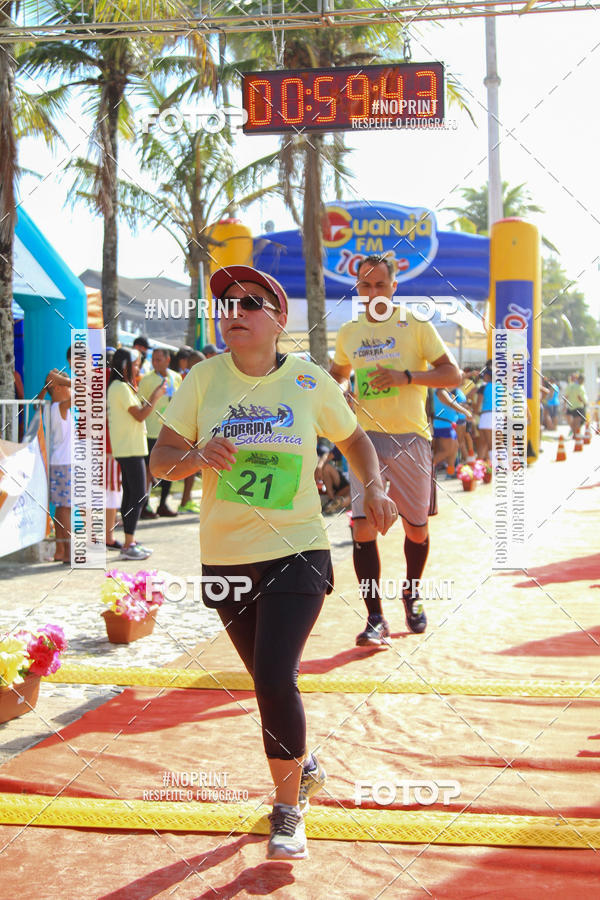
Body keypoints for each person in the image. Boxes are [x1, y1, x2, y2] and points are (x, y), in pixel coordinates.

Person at [150, 264, 397, 861]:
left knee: (274, 674)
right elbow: (160, 462)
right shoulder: (203, 380)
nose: (233, 311)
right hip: (227, 558)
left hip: (298, 548)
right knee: (264, 681)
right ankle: (303, 764)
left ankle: (288, 808)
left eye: (250, 303)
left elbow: (355, 439)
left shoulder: (310, 381)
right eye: (226, 303)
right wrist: (197, 457)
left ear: (278, 319)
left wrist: (375, 486)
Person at [330, 254, 461, 645]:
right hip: (362, 440)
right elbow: (338, 375)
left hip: (410, 439)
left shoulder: (415, 325)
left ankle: (412, 593)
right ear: (358, 288)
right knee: (362, 528)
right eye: (365, 285)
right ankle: (374, 618)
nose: (372, 292)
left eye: (380, 285)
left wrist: (406, 377)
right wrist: (340, 391)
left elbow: (451, 373)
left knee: (416, 531)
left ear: (393, 288)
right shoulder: (348, 332)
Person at [107, 348, 166, 560]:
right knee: (139, 493)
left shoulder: (120, 387)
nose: (138, 367)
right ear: (125, 366)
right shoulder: (120, 387)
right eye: (135, 364)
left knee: (132, 493)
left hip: (129, 447)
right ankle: (129, 543)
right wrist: (155, 396)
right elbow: (140, 415)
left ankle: (129, 540)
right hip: (129, 448)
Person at [138, 348, 182, 518]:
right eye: (154, 360)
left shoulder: (176, 377)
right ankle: (144, 504)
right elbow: (140, 402)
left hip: (171, 429)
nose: (155, 363)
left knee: (170, 468)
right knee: (150, 470)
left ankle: (163, 503)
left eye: (159, 359)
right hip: (151, 430)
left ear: (167, 359)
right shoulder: (147, 379)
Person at [48, 377, 72, 563]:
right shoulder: (60, 408)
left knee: (62, 509)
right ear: (56, 388)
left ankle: (60, 549)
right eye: (65, 385)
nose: (69, 388)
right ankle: (68, 550)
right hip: (63, 464)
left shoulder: (56, 408)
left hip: (61, 463)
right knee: (65, 509)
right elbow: (85, 392)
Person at [315, 442, 351, 514]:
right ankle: (334, 501)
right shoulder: (341, 443)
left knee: (353, 494)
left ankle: (334, 503)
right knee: (326, 467)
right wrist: (320, 466)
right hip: (341, 480)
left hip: (349, 486)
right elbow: (327, 455)